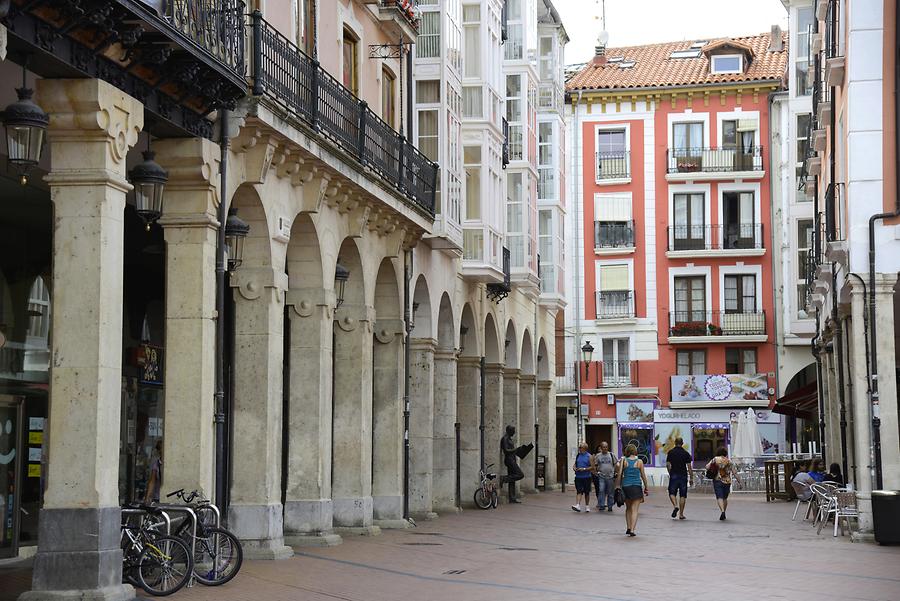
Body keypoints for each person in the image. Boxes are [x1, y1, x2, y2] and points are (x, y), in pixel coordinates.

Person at [615, 444, 649, 536]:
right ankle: (633, 530)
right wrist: (646, 487)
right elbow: (643, 475)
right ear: (635, 451)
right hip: (636, 486)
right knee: (635, 510)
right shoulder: (640, 462)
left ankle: (628, 527)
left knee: (628, 508)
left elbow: (619, 473)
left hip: (626, 486)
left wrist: (617, 486)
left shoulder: (623, 460)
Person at [707, 447, 741, 520]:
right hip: (727, 481)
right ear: (725, 453)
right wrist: (739, 482)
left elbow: (707, 467)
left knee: (719, 497)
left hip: (717, 480)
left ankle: (722, 511)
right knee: (725, 498)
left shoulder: (715, 459)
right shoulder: (729, 461)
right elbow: (735, 472)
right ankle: (724, 512)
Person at [665, 437, 693, 520]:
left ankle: (675, 505)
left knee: (671, 492)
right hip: (683, 475)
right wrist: (691, 478)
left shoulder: (671, 452)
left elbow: (668, 464)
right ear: (682, 443)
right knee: (683, 495)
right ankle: (681, 514)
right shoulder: (686, 453)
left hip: (674, 474)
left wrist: (670, 472)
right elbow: (689, 467)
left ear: (675, 442)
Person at [500, 425, 524, 503]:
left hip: (512, 459)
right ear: (509, 431)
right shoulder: (505, 439)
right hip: (509, 460)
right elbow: (506, 450)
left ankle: (512, 497)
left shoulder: (509, 439)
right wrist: (516, 449)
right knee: (520, 474)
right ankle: (504, 478)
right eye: (513, 431)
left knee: (512, 479)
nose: (514, 433)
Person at [594, 442, 617, 512]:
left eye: (606, 447)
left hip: (610, 476)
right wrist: (597, 471)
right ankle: (601, 505)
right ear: (601, 448)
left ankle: (610, 506)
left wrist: (614, 472)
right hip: (601, 476)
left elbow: (616, 463)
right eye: (604, 447)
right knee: (601, 490)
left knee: (610, 492)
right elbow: (595, 465)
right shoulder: (598, 456)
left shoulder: (611, 454)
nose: (605, 448)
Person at [571, 443, 594, 512]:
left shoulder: (589, 456)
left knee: (587, 492)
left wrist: (584, 469)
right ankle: (578, 505)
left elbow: (592, 467)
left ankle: (587, 506)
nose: (579, 448)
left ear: (585, 448)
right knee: (579, 491)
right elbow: (575, 463)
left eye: (580, 447)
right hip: (578, 477)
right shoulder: (578, 455)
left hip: (586, 477)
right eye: (579, 447)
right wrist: (574, 467)